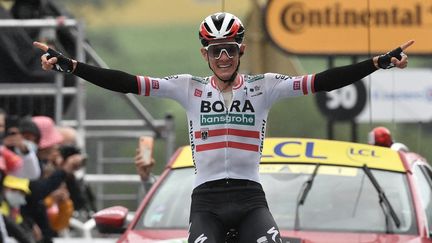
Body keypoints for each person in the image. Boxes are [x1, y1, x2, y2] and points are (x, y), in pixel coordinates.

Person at [33, 12, 414, 242]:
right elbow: (127, 82)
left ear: (241, 50)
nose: (224, 57)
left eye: (230, 48)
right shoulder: (188, 87)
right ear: (205, 54)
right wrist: (72, 66)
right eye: (216, 50)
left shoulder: (265, 86)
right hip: (207, 204)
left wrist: (376, 63)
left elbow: (324, 80)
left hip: (250, 200)